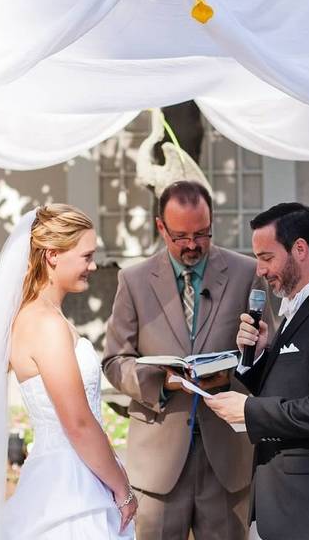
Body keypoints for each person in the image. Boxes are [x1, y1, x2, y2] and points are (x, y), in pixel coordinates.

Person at [103, 180, 267, 540]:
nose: (193, 244)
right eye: (181, 236)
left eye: (202, 234)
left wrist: (242, 366)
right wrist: (162, 381)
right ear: (160, 227)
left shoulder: (246, 273)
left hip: (227, 458)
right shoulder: (133, 280)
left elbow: (265, 356)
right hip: (157, 462)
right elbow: (114, 360)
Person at [0, 204, 136, 539]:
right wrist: (123, 490)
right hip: (69, 484)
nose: (92, 265)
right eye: (86, 256)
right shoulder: (45, 325)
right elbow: (78, 423)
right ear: (53, 255)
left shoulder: (37, 317)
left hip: (72, 471)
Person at [206, 202, 309, 540]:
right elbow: (294, 387)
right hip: (284, 508)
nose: (261, 270)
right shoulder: (299, 310)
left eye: (267, 258)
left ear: (299, 249)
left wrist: (249, 410)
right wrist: (257, 357)